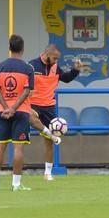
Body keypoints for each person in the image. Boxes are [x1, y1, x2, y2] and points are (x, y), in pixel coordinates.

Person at [28, 44, 81, 181]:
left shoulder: (55, 68)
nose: (56, 61)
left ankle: (47, 173)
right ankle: (50, 133)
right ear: (46, 54)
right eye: (55, 58)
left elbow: (66, 78)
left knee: (48, 142)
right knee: (30, 118)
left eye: (58, 59)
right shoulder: (32, 66)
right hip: (33, 104)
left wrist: (76, 70)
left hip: (49, 107)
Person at [0, 34, 35, 191]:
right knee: (18, 148)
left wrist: (5, 107)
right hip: (21, 112)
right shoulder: (28, 68)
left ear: (9, 48)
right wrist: (14, 108)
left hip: (2, 112)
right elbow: (26, 91)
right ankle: (16, 184)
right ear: (22, 49)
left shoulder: (0, 67)